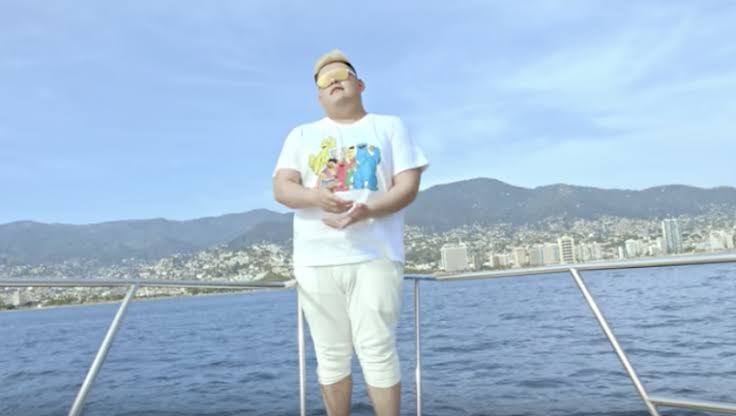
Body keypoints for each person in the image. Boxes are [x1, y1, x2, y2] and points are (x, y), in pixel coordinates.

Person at [272, 49, 428, 416]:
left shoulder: (390, 126)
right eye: (324, 81)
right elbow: (282, 188)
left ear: (360, 84)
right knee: (330, 356)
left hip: (376, 255)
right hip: (316, 260)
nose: (334, 82)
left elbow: (408, 185)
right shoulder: (301, 135)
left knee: (377, 349)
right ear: (319, 97)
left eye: (341, 74)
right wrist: (314, 197)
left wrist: (368, 209)